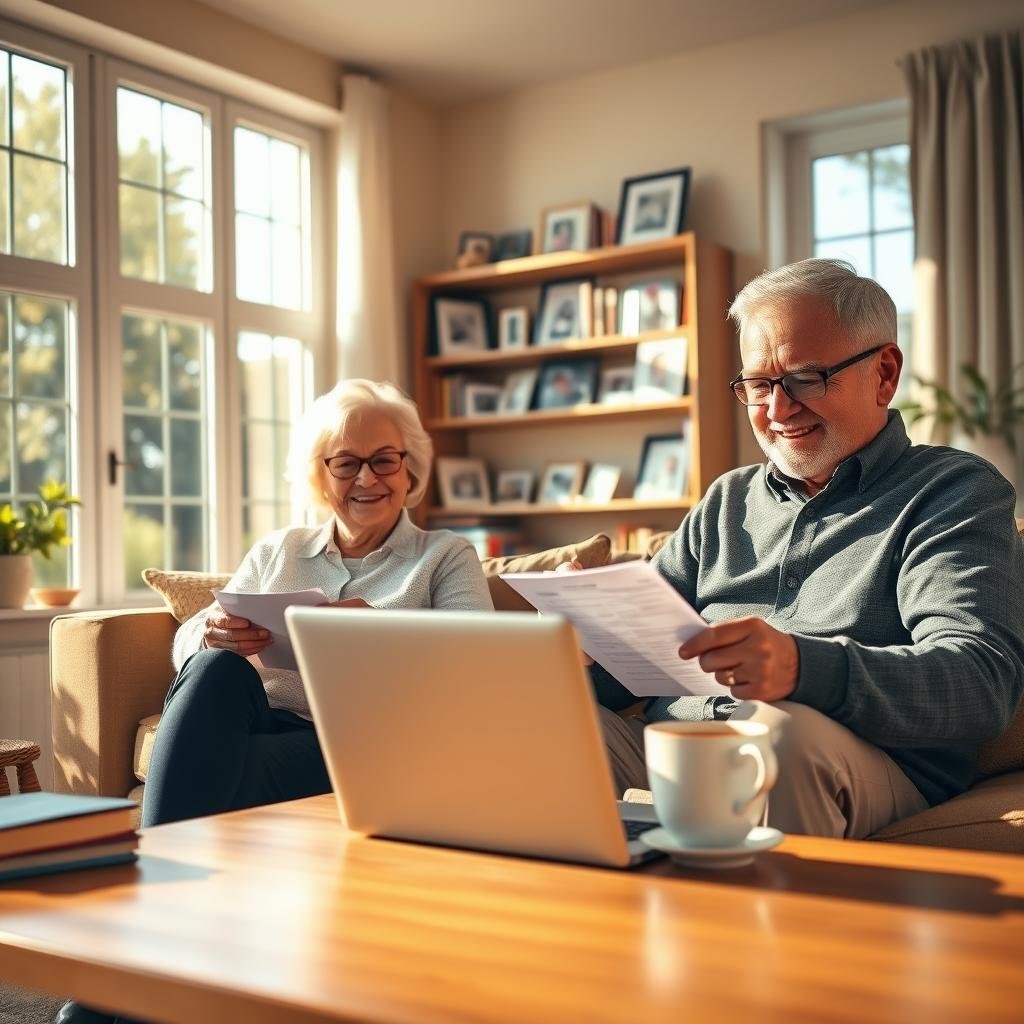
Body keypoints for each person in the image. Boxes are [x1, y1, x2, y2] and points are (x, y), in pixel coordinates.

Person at [55, 381, 493, 1024]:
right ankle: (166, 948)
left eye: (384, 459)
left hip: (363, 744)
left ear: (410, 468)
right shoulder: (280, 551)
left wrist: (381, 630)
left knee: (211, 779)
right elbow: (190, 642)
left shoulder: (443, 557)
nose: (366, 477)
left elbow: (478, 663)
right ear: (322, 474)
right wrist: (206, 631)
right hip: (260, 721)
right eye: (346, 461)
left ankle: (133, 956)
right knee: (213, 669)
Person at [591, 258, 1024, 840]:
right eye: (759, 386)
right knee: (549, 721)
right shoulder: (727, 502)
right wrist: (580, 647)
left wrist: (803, 668)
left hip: (858, 759)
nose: (776, 410)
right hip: (682, 747)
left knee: (778, 734)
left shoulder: (952, 492)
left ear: (885, 373)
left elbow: (979, 681)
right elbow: (635, 668)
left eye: (806, 379)